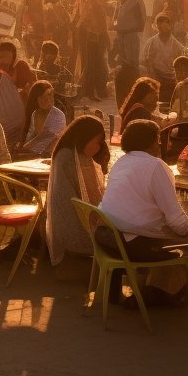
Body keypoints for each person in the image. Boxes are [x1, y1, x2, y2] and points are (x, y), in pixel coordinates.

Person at [97, 119, 188, 306]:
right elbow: (176, 221)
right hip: (130, 246)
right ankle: (159, 294)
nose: (161, 143)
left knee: (169, 232)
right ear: (151, 142)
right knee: (186, 242)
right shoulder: (156, 166)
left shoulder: (121, 162)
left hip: (105, 237)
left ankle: (152, 290)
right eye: (158, 139)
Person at [45, 115, 110, 268]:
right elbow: (71, 200)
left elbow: (93, 192)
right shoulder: (67, 157)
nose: (99, 147)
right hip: (73, 223)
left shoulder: (81, 155)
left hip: (83, 215)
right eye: (97, 142)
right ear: (84, 138)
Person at [0, 40, 36, 145]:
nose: (0, 61)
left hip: (19, 110)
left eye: (3, 57)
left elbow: (32, 87)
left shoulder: (20, 66)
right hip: (3, 108)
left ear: (12, 55)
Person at [75, 0, 111, 100]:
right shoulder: (92, 2)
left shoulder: (91, 2)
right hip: (93, 37)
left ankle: (93, 90)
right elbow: (89, 22)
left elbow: (83, 22)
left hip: (94, 37)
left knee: (94, 65)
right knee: (93, 65)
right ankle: (93, 91)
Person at [112, 0, 146, 88]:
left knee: (133, 62)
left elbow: (142, 21)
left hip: (131, 35)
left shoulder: (137, 1)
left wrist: (131, 29)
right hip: (120, 35)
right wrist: (116, 26)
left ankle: (135, 85)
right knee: (122, 62)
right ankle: (125, 84)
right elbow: (116, 16)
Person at [142, 13, 186, 100]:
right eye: (161, 27)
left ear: (170, 26)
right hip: (156, 75)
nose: (164, 29)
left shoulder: (176, 44)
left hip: (171, 78)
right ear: (158, 27)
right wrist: (154, 77)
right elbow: (147, 61)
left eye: (166, 26)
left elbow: (182, 59)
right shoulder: (152, 42)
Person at [19, 80, 66, 157]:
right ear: (35, 99)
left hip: (50, 156)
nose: (47, 100)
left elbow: (53, 142)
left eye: (50, 95)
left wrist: (27, 148)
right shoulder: (35, 114)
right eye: (41, 97)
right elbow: (30, 137)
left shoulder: (58, 115)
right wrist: (24, 148)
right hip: (33, 155)